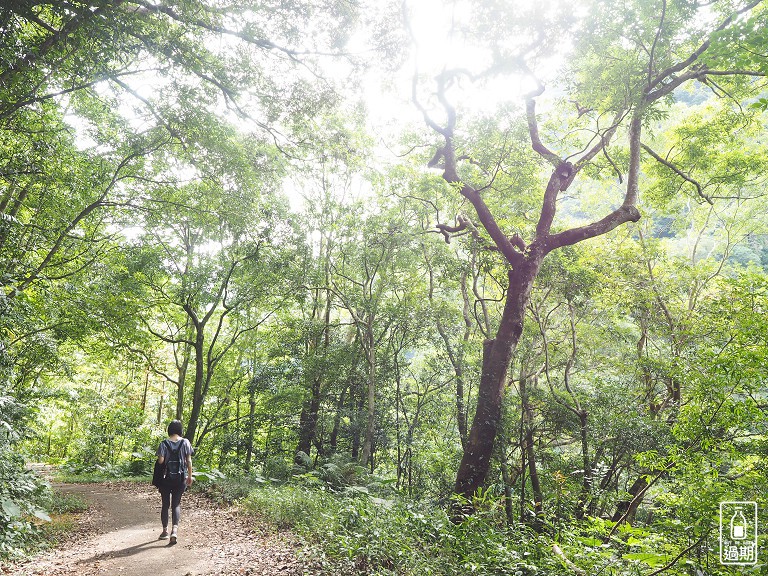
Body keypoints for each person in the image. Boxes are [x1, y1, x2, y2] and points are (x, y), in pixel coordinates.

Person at [155, 420, 193, 544]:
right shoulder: (185, 442)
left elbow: (161, 461)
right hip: (180, 478)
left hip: (166, 479)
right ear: (180, 430)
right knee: (176, 504)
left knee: (165, 504)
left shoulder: (163, 444)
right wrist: (189, 476)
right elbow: (189, 460)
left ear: (169, 430)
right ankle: (174, 531)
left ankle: (165, 531)